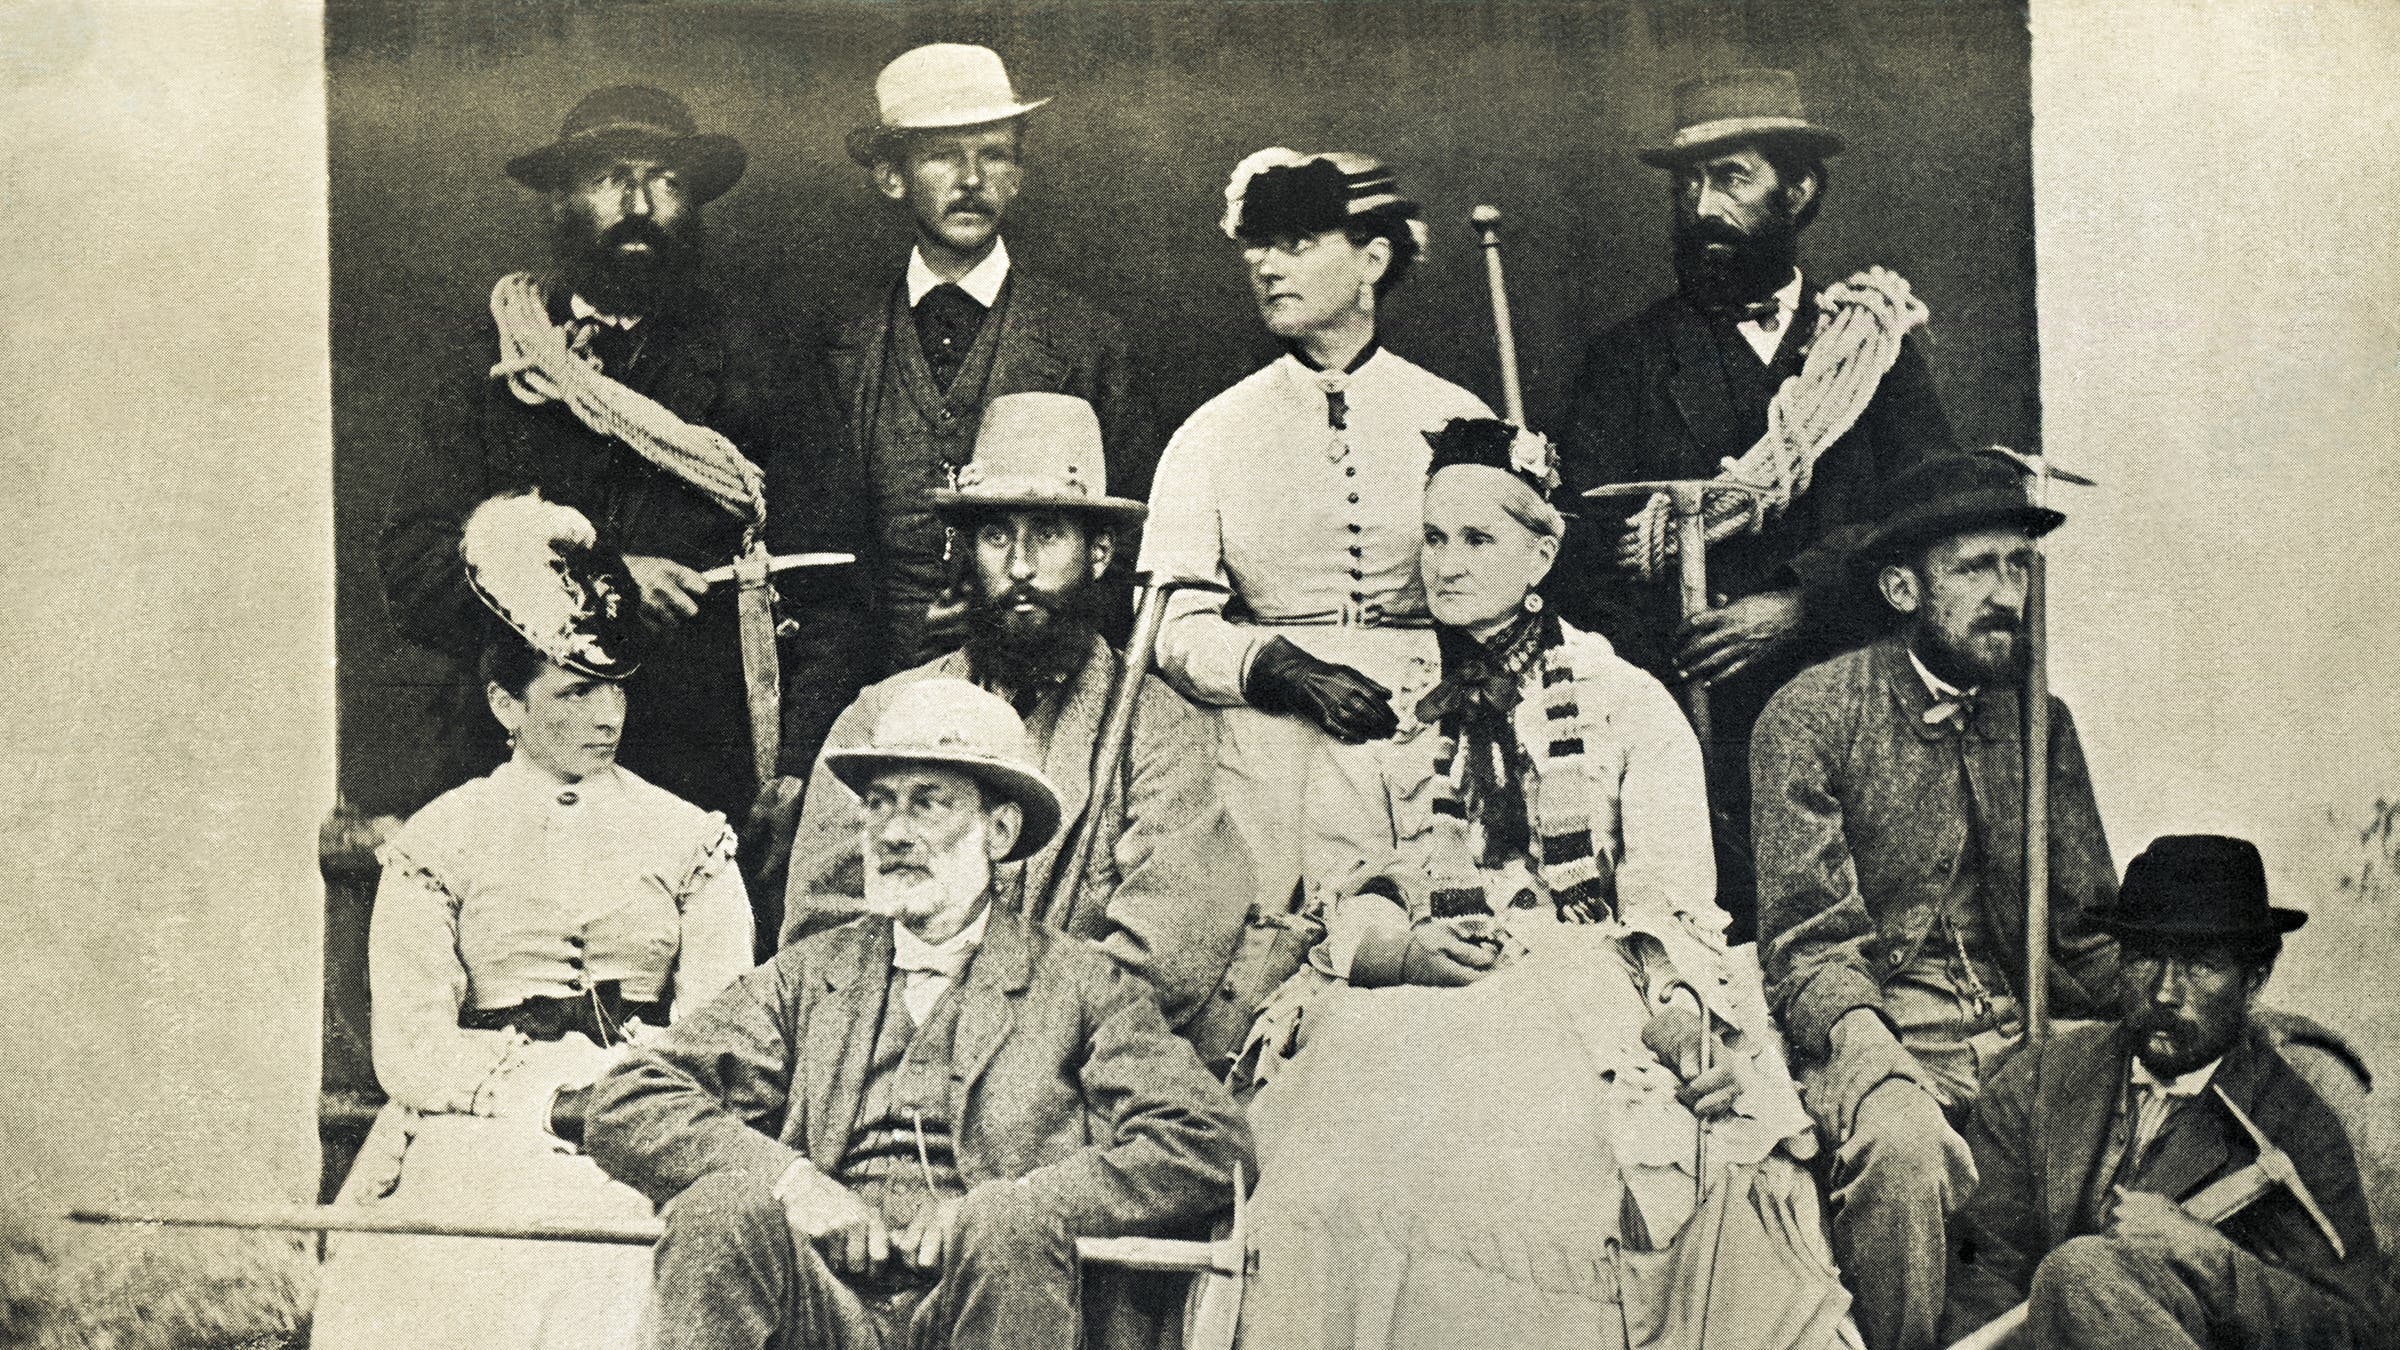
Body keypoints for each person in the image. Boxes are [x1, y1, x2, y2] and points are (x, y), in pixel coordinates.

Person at [1234, 419, 1851, 1350]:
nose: (1446, 564)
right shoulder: (1388, 706)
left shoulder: (1624, 700)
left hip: (1581, 984)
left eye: (1478, 539)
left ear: (1543, 553)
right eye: (1433, 537)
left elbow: (1671, 896)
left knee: (1545, 1149)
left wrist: (1676, 1005)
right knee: (1348, 1118)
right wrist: (1402, 952)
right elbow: (1344, 881)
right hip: (1415, 988)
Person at [585, 678, 1253, 1350]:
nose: (894, 833)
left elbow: (1206, 1140)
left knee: (1007, 1226)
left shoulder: (1083, 985)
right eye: (879, 804)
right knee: (720, 1209)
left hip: (990, 1304)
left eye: (928, 804)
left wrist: (1030, 1203)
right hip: (821, 1306)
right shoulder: (809, 975)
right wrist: (794, 1183)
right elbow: (631, 1097)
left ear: (999, 831)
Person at [378, 84, 865, 948]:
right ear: (560, 201)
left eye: (665, 181)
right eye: (610, 178)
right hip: (516, 788)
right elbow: (415, 575)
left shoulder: (766, 366)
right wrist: (603, 580)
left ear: (694, 204)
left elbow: (832, 589)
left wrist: (796, 773)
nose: (639, 206)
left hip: (703, 789)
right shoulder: (491, 370)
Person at [313, 493, 756, 1350]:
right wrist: (541, 1096)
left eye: (616, 690)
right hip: (483, 1116)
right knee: (467, 1232)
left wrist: (629, 1095)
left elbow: (722, 1025)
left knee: (643, 1241)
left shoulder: (691, 839)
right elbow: (410, 1045)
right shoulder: (440, 840)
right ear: (505, 705)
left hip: (647, 1109)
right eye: (576, 692)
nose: (607, 717)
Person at [1560, 68, 1957, 944]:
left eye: (1731, 179)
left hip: (1852, 719)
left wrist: (1801, 602)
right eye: (1687, 185)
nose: (1701, 206)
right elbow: (1584, 554)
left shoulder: (1870, 347)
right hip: (1691, 732)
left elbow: (1930, 523)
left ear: (1799, 191)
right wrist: (1670, 669)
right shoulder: (1625, 363)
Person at [1749, 451, 2120, 1350]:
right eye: (1975, 568)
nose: (2007, 595)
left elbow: (2086, 930)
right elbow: (1809, 945)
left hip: (2032, 1028)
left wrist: (2198, 1011)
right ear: (1902, 589)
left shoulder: (2041, 719)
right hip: (1884, 1032)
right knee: (1902, 1152)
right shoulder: (1809, 717)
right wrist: (1875, 1064)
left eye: (2018, 566)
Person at [782, 392, 1256, 1062]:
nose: (1021, 567)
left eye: (1049, 535)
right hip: (886, 1065)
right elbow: (822, 934)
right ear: (968, 552)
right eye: (997, 536)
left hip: (1071, 1077)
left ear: (1098, 553)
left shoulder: (1159, 733)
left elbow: (1163, 957)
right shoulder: (881, 721)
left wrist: (1015, 1045)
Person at [1140, 148, 1492, 929]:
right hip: (1265, 755)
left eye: (1297, 244)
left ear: (1373, 259)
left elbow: (1506, 598)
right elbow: (1166, 627)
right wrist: (1281, 669)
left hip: (1430, 739)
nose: (1267, 266)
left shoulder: (1459, 419)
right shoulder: (1212, 433)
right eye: (1258, 246)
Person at [1944, 834, 2390, 1347]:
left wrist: (2207, 1258)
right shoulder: (2035, 1084)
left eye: (2202, 965)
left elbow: (2361, 1334)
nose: (2165, 991)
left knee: (2079, 1271)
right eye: (2146, 957)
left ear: (2254, 980)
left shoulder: (2296, 1124)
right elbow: (1982, 1275)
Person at [834, 44, 1159, 670]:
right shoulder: (842, 348)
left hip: (1051, 678)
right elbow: (824, 567)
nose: (971, 180)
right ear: (891, 176)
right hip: (879, 686)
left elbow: (1131, 549)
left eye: (994, 154)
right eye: (942, 155)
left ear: (1018, 174)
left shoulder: (1088, 341)